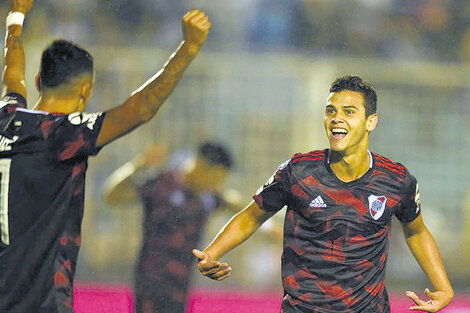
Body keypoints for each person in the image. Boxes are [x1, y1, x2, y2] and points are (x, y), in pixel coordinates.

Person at [0, 0, 211, 311]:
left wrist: (16, 16)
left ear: (37, 82)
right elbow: (141, 107)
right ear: (86, 89)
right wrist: (189, 49)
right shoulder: (66, 133)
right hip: (38, 298)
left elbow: (11, 69)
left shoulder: (7, 116)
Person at [193, 76, 454, 313]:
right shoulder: (298, 171)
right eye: (331, 111)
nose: (336, 118)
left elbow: (416, 231)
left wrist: (443, 287)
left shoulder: (396, 180)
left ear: (371, 122)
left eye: (349, 112)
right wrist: (212, 253)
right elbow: (252, 216)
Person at [104, 141, 236, 313]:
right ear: (201, 165)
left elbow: (243, 207)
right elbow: (111, 196)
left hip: (181, 285)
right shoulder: (162, 183)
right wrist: (138, 165)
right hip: (151, 281)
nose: (217, 184)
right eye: (216, 178)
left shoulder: (208, 198)